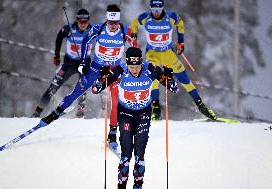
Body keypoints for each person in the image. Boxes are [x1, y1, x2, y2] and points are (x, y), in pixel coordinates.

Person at [40, 4, 135, 150]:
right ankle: (55, 114)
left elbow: (135, 46)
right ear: (107, 20)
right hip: (96, 68)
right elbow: (85, 41)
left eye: (116, 23)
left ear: (119, 21)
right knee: (77, 91)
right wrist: (84, 61)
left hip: (114, 71)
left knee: (117, 101)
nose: (113, 26)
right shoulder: (98, 28)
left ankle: (112, 134)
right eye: (111, 23)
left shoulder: (125, 30)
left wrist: (131, 58)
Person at [92, 47, 178, 189]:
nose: (134, 70)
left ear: (141, 63)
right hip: (125, 115)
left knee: (140, 154)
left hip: (143, 115)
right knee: (126, 155)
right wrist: (102, 77)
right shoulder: (120, 71)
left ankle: (138, 186)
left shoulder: (150, 69)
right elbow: (96, 89)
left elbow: (174, 88)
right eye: (131, 67)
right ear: (127, 64)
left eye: (137, 67)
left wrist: (169, 77)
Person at [130, 0, 217, 120]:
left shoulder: (170, 17)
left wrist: (181, 42)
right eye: (154, 10)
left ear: (162, 8)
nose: (156, 12)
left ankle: (201, 106)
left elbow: (180, 23)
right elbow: (134, 23)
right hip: (152, 54)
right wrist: (133, 35)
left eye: (159, 10)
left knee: (184, 79)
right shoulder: (145, 17)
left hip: (168, 53)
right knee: (154, 76)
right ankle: (156, 108)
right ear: (150, 9)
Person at [31, 8, 92, 118]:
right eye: (80, 22)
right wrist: (56, 55)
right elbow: (59, 37)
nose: (83, 24)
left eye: (85, 22)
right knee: (53, 87)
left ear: (88, 21)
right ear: (77, 21)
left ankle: (80, 111)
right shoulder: (68, 29)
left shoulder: (93, 30)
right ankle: (37, 112)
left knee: (83, 87)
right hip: (69, 63)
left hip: (84, 63)